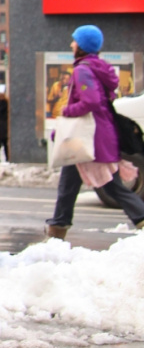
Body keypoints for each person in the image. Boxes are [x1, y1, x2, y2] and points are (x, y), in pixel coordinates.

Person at [46, 24, 144, 239]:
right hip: (98, 136)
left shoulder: (83, 70)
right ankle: (57, 228)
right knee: (73, 185)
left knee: (109, 186)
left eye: (74, 40)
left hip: (88, 139)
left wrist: (67, 110)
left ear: (81, 45)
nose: (71, 44)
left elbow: (90, 101)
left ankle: (57, 231)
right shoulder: (99, 68)